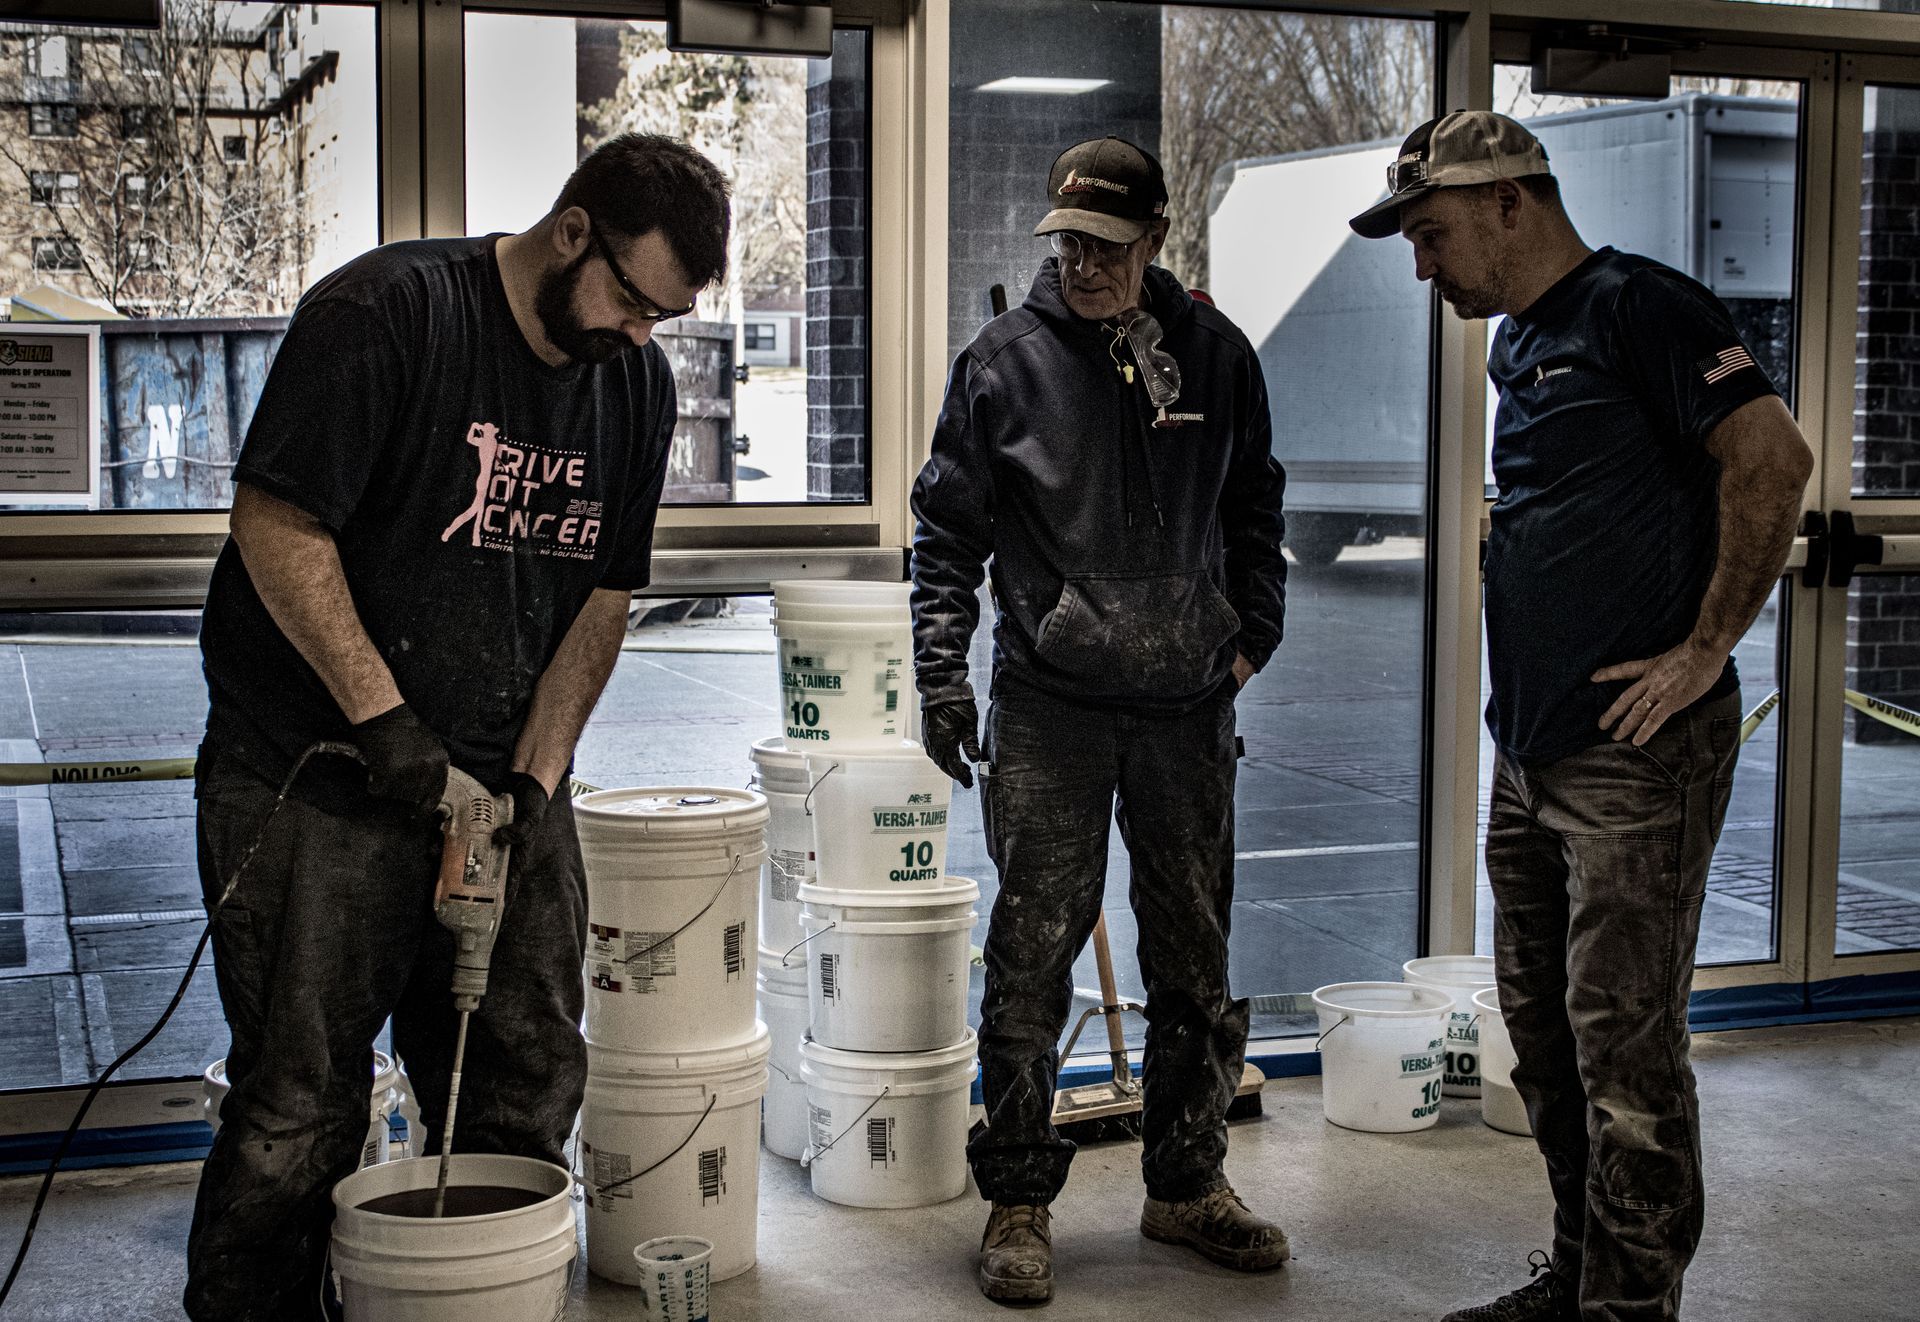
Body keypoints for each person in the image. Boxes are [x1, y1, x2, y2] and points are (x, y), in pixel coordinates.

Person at [185, 133, 731, 1320]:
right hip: (317, 776)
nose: (642, 336)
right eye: (635, 301)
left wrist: (536, 783)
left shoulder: (632, 382)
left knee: (523, 1073)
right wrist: (383, 721)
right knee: (298, 1104)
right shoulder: (388, 315)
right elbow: (277, 526)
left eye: (665, 320)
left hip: (499, 775)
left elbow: (601, 596)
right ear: (573, 231)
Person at [1350, 112, 1813, 1321]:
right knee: (1544, 1042)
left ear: (1513, 202)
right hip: (1533, 749)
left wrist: (1709, 647)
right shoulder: (1520, 343)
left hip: (1633, 762)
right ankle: (1582, 1270)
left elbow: (1773, 457)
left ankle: (1630, 1306)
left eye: (1433, 234)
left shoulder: (1641, 307)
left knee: (1627, 1054)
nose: (1422, 264)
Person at [911, 135, 1290, 1305]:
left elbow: (1256, 500)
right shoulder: (1002, 365)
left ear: (1156, 242)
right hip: (1050, 712)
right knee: (1029, 958)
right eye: (1066, 242)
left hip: (1186, 707)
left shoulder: (1217, 357)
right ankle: (1020, 1198)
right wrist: (941, 678)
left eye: (1106, 247)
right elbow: (944, 539)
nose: (1081, 264)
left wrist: (1250, 633)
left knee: (1195, 957)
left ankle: (1186, 1183)